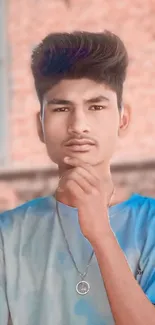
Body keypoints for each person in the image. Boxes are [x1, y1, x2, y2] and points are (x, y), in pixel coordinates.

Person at [0, 31, 155, 325]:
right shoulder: (8, 234)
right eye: (61, 108)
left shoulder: (150, 223)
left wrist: (101, 234)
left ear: (123, 119)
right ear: (40, 125)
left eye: (96, 107)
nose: (78, 125)